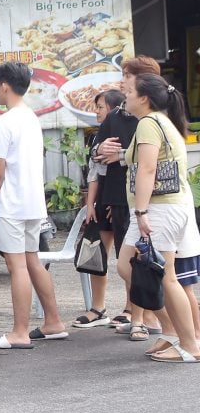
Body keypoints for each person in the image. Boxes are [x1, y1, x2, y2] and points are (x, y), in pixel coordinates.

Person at [0, 62, 66, 350]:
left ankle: (20, 331)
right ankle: (53, 321)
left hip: (12, 205)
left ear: (4, 85)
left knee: (17, 266)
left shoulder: (5, 122)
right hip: (32, 203)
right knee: (32, 260)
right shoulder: (30, 117)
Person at [117, 73, 200, 363]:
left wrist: (141, 212)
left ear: (144, 98)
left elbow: (148, 169)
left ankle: (190, 345)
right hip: (159, 208)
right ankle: (172, 332)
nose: (125, 96)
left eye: (129, 92)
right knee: (127, 266)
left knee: (165, 277)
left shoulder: (149, 123)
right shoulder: (160, 122)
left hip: (159, 209)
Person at [97, 56, 166, 339]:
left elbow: (151, 163)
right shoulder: (116, 116)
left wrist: (122, 157)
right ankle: (141, 314)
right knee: (129, 263)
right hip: (121, 196)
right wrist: (100, 148)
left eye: (127, 76)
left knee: (147, 263)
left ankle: (148, 318)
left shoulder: (155, 118)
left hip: (151, 201)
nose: (122, 81)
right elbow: (96, 156)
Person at [74, 89, 132, 329]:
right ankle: (98, 308)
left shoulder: (127, 131)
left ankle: (131, 308)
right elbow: (94, 173)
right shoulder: (99, 136)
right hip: (101, 203)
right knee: (96, 253)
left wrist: (117, 200)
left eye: (100, 107)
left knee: (126, 257)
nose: (96, 111)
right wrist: (90, 206)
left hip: (121, 201)